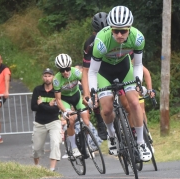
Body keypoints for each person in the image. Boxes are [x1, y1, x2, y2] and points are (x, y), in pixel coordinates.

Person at [87, 6, 152, 162]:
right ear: (110, 29)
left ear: (130, 28)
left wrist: (138, 83)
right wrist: (93, 92)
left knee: (135, 104)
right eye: (116, 31)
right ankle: (112, 136)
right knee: (107, 109)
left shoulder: (138, 37)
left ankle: (141, 143)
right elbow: (92, 72)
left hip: (125, 68)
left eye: (123, 31)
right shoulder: (101, 41)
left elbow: (137, 65)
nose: (120, 35)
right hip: (104, 72)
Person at [53, 53, 90, 158]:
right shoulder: (56, 80)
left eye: (67, 69)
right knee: (71, 120)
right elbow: (58, 99)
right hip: (65, 100)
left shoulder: (76, 72)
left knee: (86, 121)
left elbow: (84, 82)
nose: (65, 72)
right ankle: (74, 148)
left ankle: (87, 146)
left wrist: (86, 96)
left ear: (70, 67)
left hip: (76, 96)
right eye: (62, 70)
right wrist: (65, 111)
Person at [81, 12, 109, 141]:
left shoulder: (116, 37)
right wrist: (87, 94)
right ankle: (101, 122)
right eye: (99, 32)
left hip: (112, 67)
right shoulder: (89, 44)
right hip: (96, 71)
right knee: (95, 97)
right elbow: (86, 71)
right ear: (94, 32)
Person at [31, 68, 61, 171]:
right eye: (45, 76)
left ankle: (52, 168)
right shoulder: (37, 90)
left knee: (55, 142)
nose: (47, 78)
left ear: (53, 77)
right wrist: (49, 105)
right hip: (40, 122)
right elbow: (33, 107)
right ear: (42, 77)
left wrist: (42, 105)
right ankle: (36, 166)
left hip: (53, 121)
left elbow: (56, 109)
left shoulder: (56, 91)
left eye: (49, 76)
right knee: (36, 148)